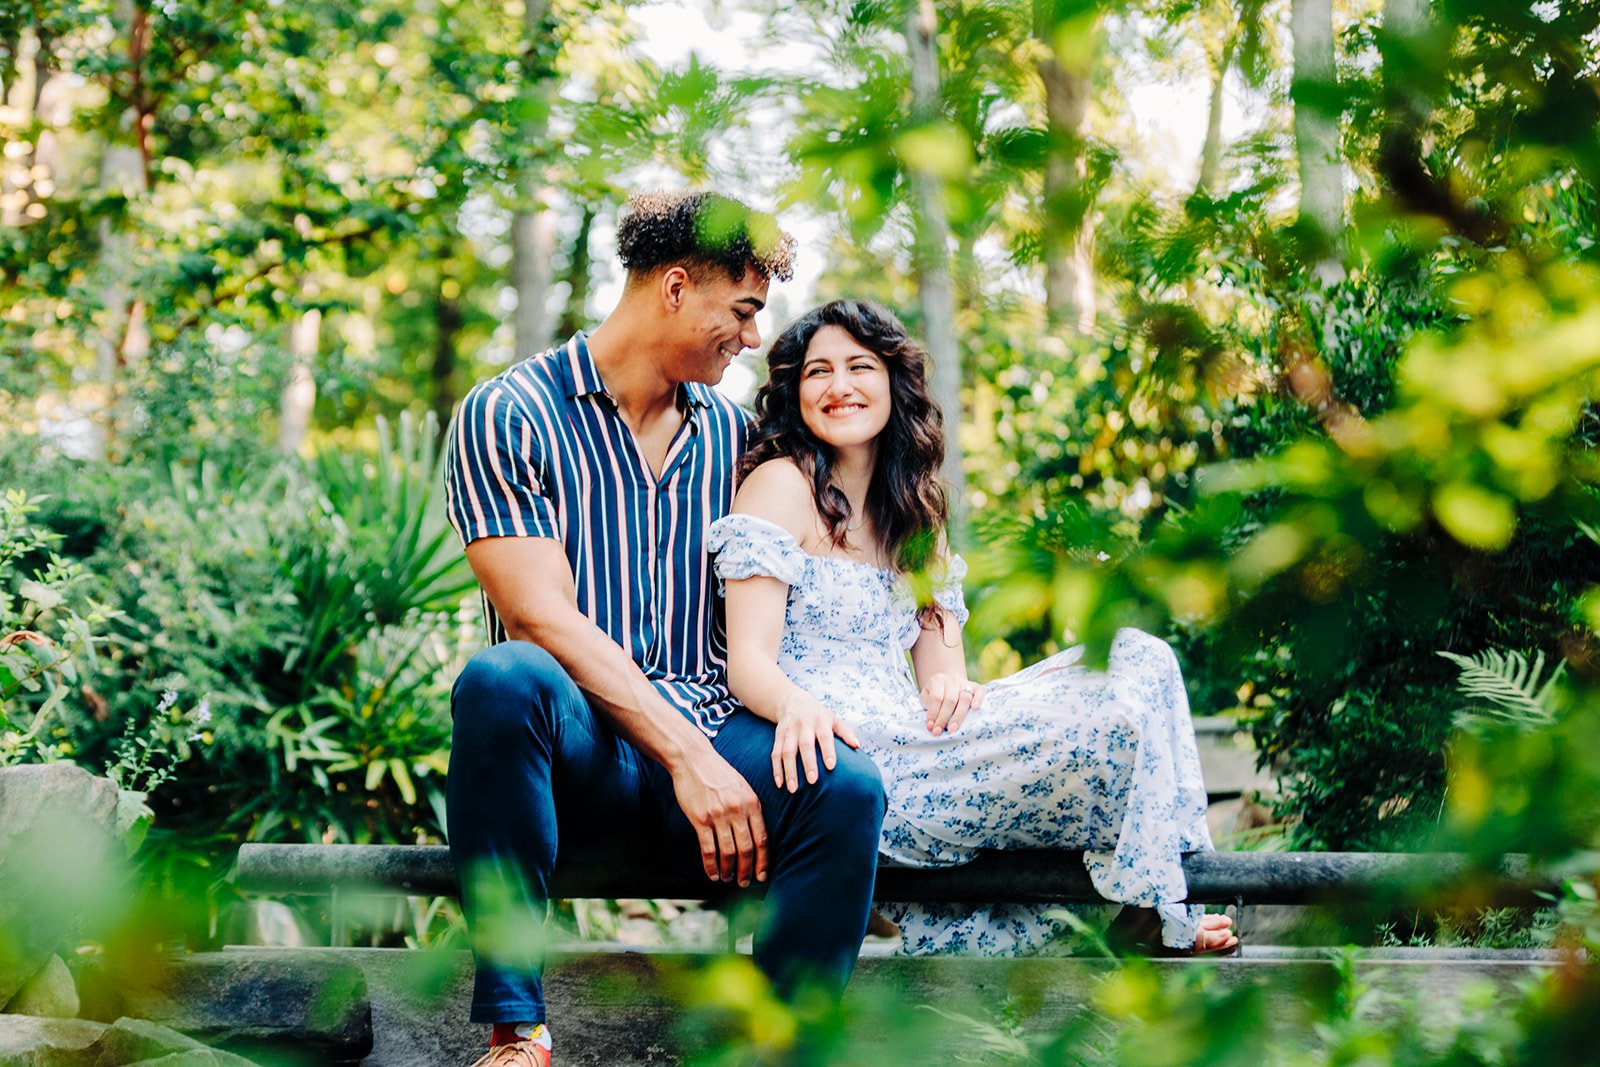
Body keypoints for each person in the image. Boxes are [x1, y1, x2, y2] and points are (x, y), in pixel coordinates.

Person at [443, 195, 887, 1067]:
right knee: (503, 679)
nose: (753, 339)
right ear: (677, 287)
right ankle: (516, 1034)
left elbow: (843, 543)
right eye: (744, 311)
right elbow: (542, 616)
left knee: (847, 785)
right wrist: (688, 758)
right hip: (582, 762)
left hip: (721, 744)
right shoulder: (510, 414)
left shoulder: (740, 438)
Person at [706, 298, 1237, 957]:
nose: (839, 386)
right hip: (849, 764)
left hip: (921, 743)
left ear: (894, 383)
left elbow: (943, 679)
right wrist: (797, 707)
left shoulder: (916, 513)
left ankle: (1156, 900)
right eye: (818, 372)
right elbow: (747, 661)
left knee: (1142, 657)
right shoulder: (780, 484)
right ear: (796, 390)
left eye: (859, 366)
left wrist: (952, 692)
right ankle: (1155, 916)